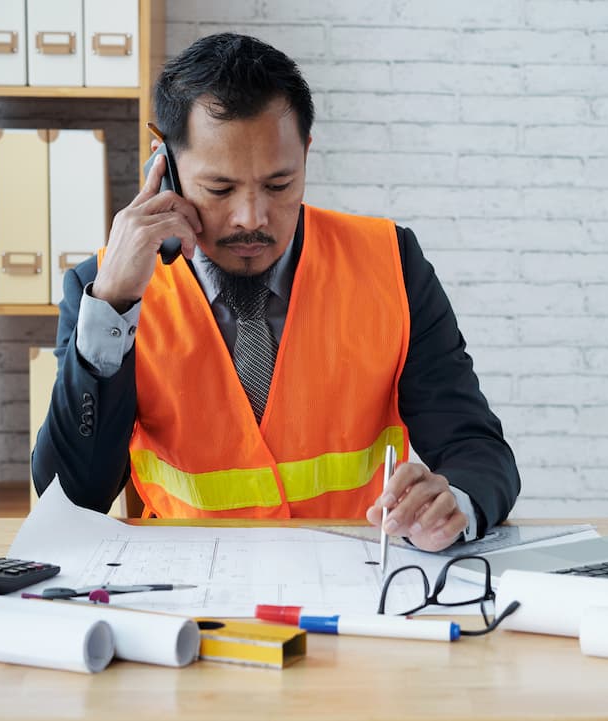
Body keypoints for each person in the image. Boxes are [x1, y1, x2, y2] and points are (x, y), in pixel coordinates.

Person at [32, 32, 520, 552]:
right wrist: (113, 304)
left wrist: (455, 502)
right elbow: (70, 500)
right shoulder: (101, 289)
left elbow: (477, 447)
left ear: (306, 154)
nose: (251, 218)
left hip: (356, 585)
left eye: (279, 185)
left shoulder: (392, 263)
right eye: (219, 189)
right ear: (166, 167)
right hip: (182, 594)